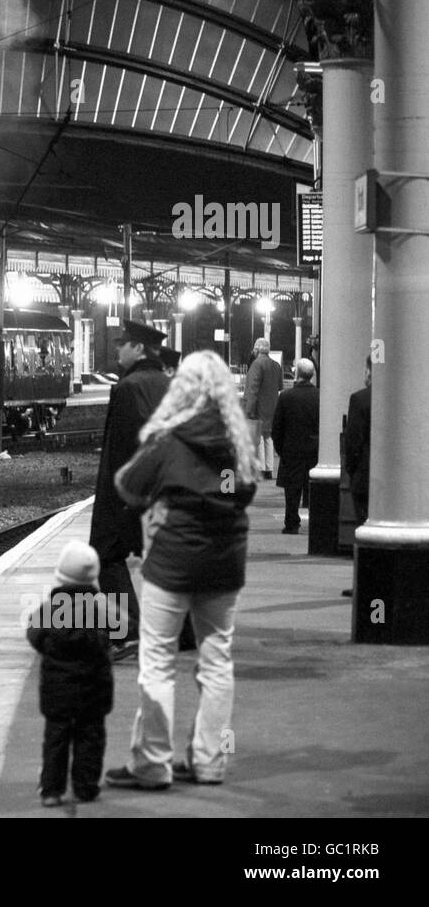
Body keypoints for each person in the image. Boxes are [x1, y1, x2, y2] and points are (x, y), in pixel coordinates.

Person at [104, 350, 257, 790]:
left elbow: (127, 487)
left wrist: (162, 498)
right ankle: (210, 761)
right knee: (216, 660)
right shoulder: (235, 445)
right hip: (225, 565)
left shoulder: (169, 441)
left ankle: (152, 762)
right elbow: (242, 493)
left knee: (157, 661)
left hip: (171, 563)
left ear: (182, 389)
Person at [88, 320, 170, 659]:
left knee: (106, 554)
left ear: (138, 349)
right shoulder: (167, 383)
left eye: (123, 344)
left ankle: (127, 630)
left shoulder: (128, 387)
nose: (118, 348)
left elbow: (125, 446)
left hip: (126, 492)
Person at [26, 541, 113, 807]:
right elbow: (125, 628)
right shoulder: (102, 607)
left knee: (56, 738)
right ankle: (86, 787)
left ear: (60, 575)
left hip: (57, 690)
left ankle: (52, 790)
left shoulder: (50, 609)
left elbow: (33, 635)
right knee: (91, 736)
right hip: (94, 689)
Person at [272, 358, 320, 534]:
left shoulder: (286, 397)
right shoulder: (319, 396)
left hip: (291, 450)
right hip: (314, 450)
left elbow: (277, 428)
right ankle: (316, 523)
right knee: (313, 489)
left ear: (297, 374)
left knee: (292, 491)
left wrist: (281, 449)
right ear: (312, 375)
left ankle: (292, 523)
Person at [242, 338, 283, 480]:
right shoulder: (276, 366)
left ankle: (259, 468)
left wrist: (248, 409)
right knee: (268, 438)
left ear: (257, 349)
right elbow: (280, 387)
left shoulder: (256, 364)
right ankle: (269, 468)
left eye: (254, 348)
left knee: (258, 438)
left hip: (258, 407)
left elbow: (252, 389)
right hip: (272, 406)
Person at [345, 356, 372, 527]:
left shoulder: (360, 399)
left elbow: (353, 439)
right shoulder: (403, 399)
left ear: (369, 371)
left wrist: (351, 469)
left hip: (364, 474)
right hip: (397, 480)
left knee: (363, 523)